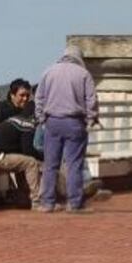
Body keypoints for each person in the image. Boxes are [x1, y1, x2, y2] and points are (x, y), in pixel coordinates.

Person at [34, 46, 99, 213]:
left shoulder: (49, 72)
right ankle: (74, 203)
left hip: (52, 122)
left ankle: (47, 203)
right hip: (74, 122)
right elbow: (91, 100)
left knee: (50, 164)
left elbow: (39, 98)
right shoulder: (83, 74)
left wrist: (42, 119)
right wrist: (91, 119)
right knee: (74, 164)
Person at [0, 113, 46, 209]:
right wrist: (46, 158)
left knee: (22, 162)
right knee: (31, 163)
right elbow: (27, 150)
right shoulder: (28, 125)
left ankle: (23, 199)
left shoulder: (15, 121)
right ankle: (37, 201)